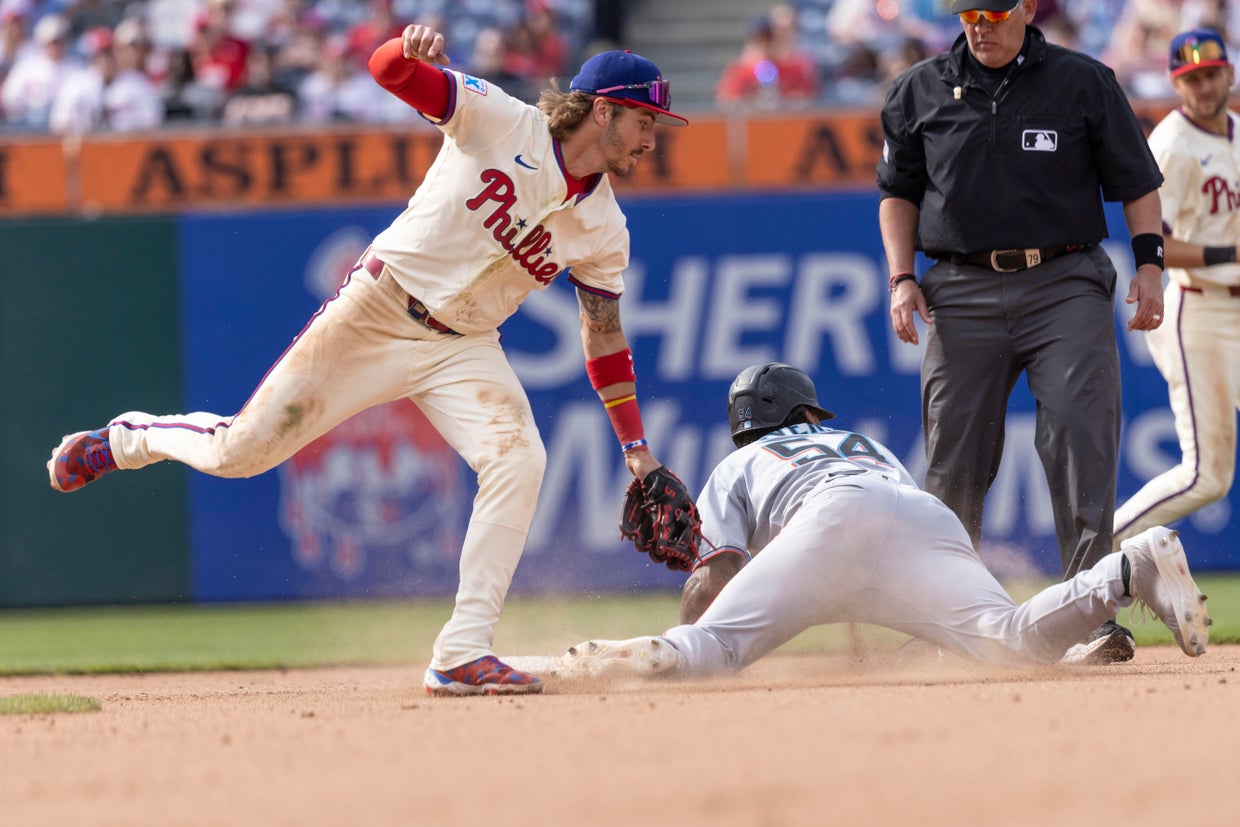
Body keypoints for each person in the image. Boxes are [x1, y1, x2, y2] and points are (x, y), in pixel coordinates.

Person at [46, 23, 689, 697]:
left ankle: (463, 648)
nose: (652, 140)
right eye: (645, 121)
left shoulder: (604, 227)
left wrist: (636, 448)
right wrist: (402, 50)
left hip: (463, 345)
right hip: (378, 309)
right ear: (604, 109)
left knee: (519, 457)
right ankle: (130, 438)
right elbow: (391, 73)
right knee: (241, 450)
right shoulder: (502, 121)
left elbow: (605, 335)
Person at [555, 363, 1211, 681]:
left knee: (713, 649)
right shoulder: (857, 442)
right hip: (921, 516)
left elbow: (716, 575)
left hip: (830, 521)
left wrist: (697, 633)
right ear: (808, 413)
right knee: (1013, 642)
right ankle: (1127, 569)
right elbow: (852, 557)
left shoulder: (740, 463)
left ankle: (632, 658)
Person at [876, 0, 1168, 666]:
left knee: (1077, 432)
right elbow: (898, 191)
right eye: (968, 10)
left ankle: (1092, 614)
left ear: (1027, 8)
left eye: (995, 10)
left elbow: (1137, 181)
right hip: (959, 287)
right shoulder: (917, 87)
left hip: (1063, 279)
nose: (980, 23)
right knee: (953, 457)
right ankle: (946, 624)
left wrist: (1149, 264)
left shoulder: (1083, 80)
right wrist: (901, 277)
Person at [1114, 28, 1240, 549]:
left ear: (1229, 74)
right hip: (1199, 308)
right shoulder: (1171, 143)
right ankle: (1097, 548)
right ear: (1175, 82)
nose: (1204, 87)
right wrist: (1227, 255)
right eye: (1192, 79)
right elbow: (1153, 240)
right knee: (1206, 475)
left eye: (1211, 75)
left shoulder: (1236, 131)